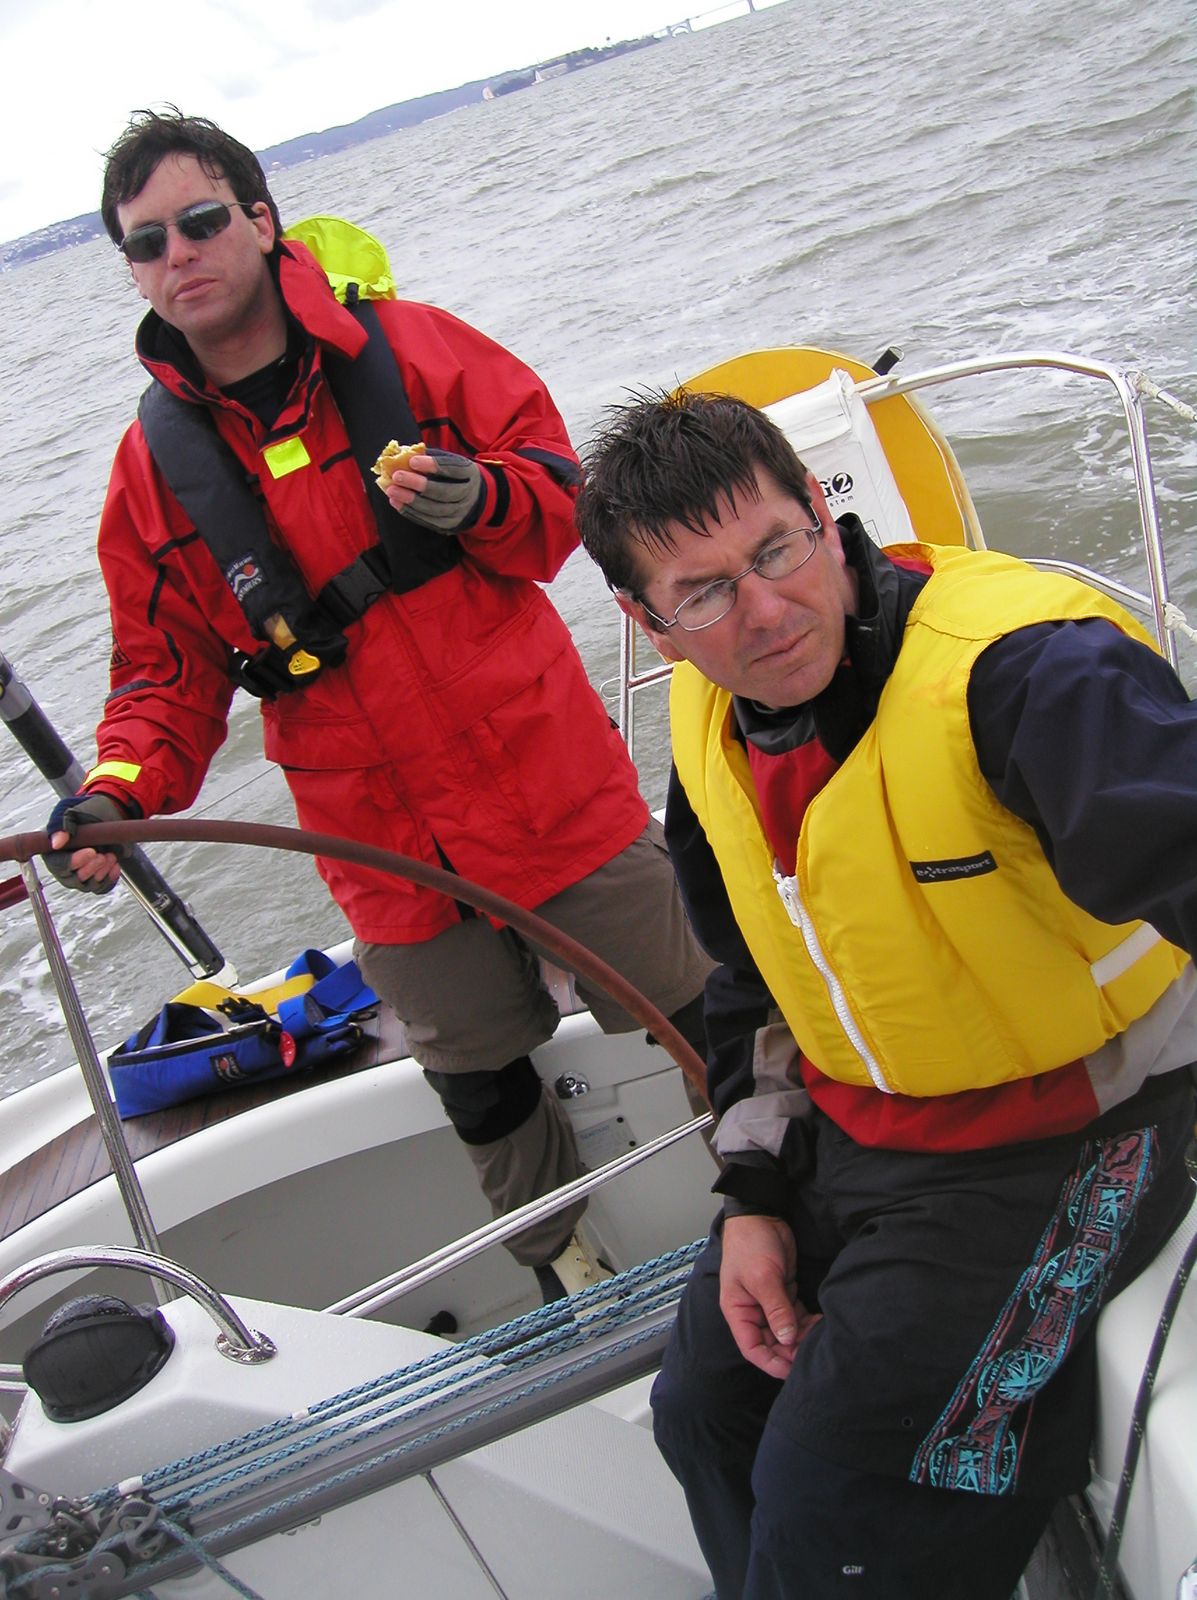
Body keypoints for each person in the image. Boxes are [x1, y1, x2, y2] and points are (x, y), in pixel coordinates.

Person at [46, 109, 713, 1303]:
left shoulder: (417, 352)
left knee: (701, 1009)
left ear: (261, 220)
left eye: (201, 220)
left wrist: (484, 497)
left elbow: (566, 500)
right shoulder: (149, 477)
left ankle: (797, 1187)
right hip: (382, 849)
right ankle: (568, 1276)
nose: (178, 253)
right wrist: (115, 792)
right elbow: (162, 679)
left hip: (549, 788)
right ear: (133, 272)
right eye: (146, 242)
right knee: (478, 1084)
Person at [575, 385, 1197, 1599]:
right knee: (703, 1409)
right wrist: (753, 1195)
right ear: (648, 623)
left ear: (821, 508)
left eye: (777, 549)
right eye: (705, 592)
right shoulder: (709, 731)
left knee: (828, 1495)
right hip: (854, 1135)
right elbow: (751, 981)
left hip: (1080, 1135)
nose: (765, 611)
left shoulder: (1021, 673)